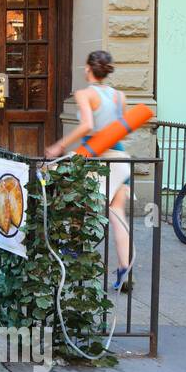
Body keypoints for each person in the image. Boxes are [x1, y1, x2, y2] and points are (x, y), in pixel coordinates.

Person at [44, 50, 133, 293]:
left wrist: (60, 145)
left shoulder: (84, 94)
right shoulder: (119, 97)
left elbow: (87, 126)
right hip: (120, 157)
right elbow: (122, 129)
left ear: (88, 69)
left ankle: (74, 247)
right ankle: (125, 269)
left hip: (96, 157)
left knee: (73, 199)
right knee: (117, 213)